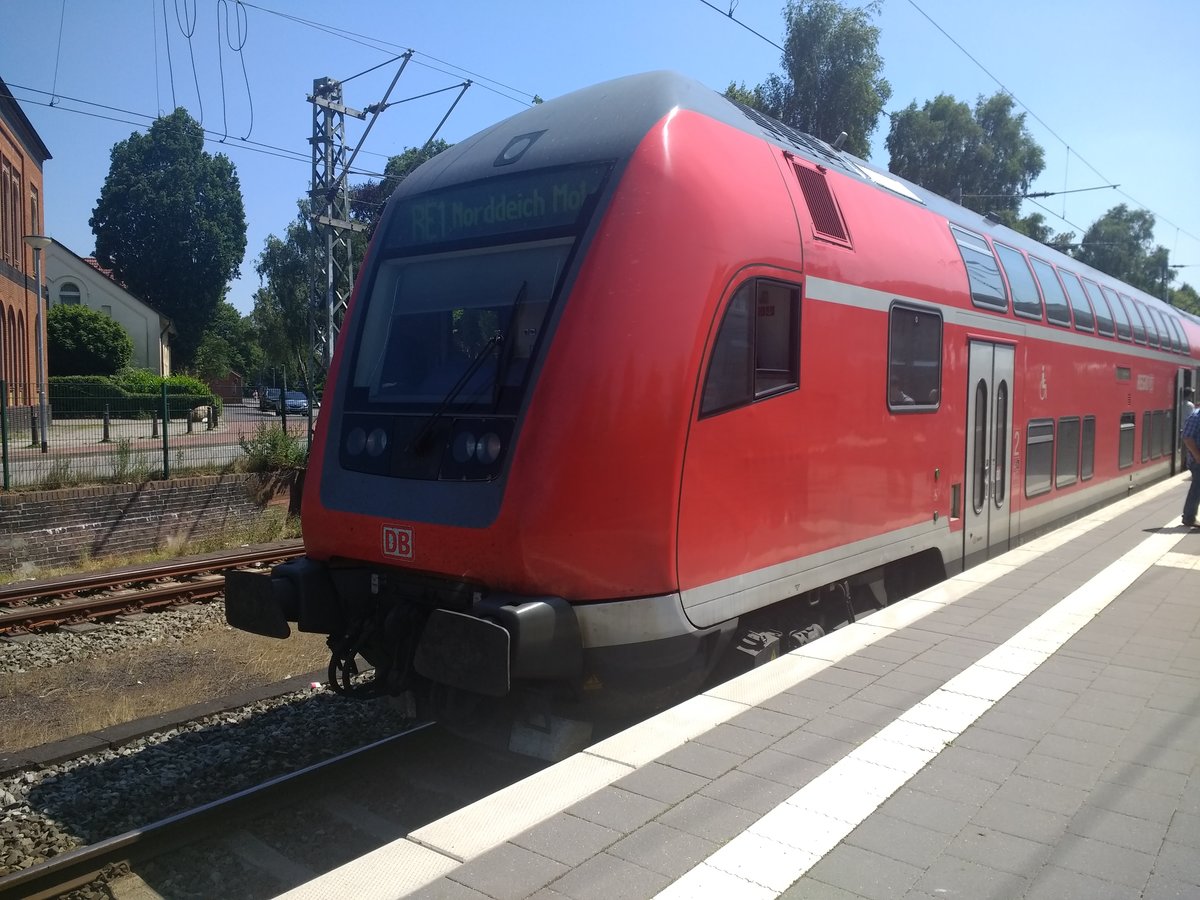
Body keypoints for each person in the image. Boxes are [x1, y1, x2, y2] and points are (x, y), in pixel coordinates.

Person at [1181, 405, 1200, 527]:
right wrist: (1198, 457)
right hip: (1197, 460)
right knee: (1197, 488)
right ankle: (1188, 517)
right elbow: (1187, 438)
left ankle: (1189, 517)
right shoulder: (1196, 416)